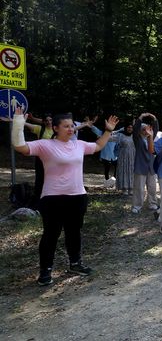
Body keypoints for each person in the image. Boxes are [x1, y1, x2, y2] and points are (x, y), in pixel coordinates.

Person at [11, 107, 119, 286]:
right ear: (55, 128)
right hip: (53, 198)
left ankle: (75, 263)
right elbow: (20, 147)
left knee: (74, 232)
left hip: (77, 197)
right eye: (66, 126)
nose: (71, 129)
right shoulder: (45, 145)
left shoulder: (79, 144)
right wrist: (18, 122)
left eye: (72, 126)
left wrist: (108, 130)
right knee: (50, 235)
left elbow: (99, 145)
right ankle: (45, 271)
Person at [132, 113, 159, 214]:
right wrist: (141, 117)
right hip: (140, 166)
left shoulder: (150, 138)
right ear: (140, 131)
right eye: (143, 129)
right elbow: (135, 129)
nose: (146, 131)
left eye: (147, 129)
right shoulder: (137, 139)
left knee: (152, 187)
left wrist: (154, 118)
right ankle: (137, 206)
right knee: (139, 187)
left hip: (151, 167)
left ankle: (152, 203)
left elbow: (155, 129)